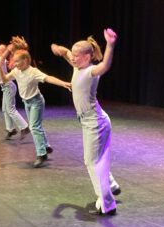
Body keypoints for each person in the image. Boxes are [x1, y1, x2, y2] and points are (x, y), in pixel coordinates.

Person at [51, 28, 121, 215]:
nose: (73, 58)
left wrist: (110, 44)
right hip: (91, 121)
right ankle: (111, 184)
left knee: (91, 161)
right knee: (98, 158)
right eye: (73, 56)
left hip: (95, 122)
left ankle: (107, 203)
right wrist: (58, 49)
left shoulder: (91, 71)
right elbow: (66, 52)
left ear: (88, 56)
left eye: (77, 56)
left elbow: (105, 65)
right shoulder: (77, 67)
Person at [0, 49, 72, 168]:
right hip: (27, 102)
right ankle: (46, 146)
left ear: (26, 60)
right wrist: (0, 70)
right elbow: (5, 79)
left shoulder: (33, 72)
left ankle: (41, 154)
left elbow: (48, 78)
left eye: (17, 61)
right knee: (36, 126)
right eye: (14, 61)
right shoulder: (16, 71)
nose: (15, 64)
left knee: (34, 126)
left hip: (36, 102)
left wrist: (63, 83)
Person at [0, 35, 29, 140]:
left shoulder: (2, 60)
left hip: (8, 86)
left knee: (10, 109)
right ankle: (11, 129)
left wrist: (8, 50)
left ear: (3, 52)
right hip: (5, 87)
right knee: (5, 109)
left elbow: (3, 56)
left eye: (0, 50)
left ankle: (25, 127)